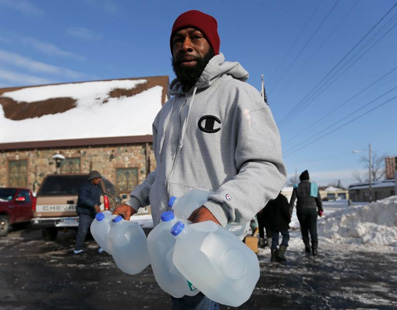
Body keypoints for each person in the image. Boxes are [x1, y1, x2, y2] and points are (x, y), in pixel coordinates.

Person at [112, 9, 286, 309]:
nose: (186, 45)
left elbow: (266, 166)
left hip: (212, 247)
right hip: (171, 249)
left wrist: (219, 207)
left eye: (196, 37)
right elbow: (162, 171)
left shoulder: (238, 96)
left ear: (212, 46)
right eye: (178, 40)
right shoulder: (166, 113)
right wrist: (134, 200)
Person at [290, 170, 323, 256]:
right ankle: (314, 249)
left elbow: (292, 201)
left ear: (300, 179)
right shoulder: (313, 186)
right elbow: (318, 199)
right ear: (308, 178)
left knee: (304, 228)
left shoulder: (297, 186)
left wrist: (289, 213)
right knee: (313, 229)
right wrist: (320, 209)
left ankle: (307, 246)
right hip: (312, 210)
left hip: (301, 210)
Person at [73, 170, 102, 255]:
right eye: (97, 178)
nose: (99, 180)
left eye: (99, 178)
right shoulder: (85, 187)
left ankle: (101, 247)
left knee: (99, 230)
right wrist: (94, 205)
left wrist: (98, 204)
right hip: (85, 213)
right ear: (92, 179)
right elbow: (83, 199)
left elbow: (95, 199)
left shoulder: (97, 187)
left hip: (93, 212)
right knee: (83, 231)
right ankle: (77, 249)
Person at [265, 192, 292, 262]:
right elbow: (286, 210)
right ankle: (281, 252)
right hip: (282, 222)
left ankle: (273, 256)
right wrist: (288, 220)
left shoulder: (269, 199)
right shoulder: (282, 198)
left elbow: (266, 211)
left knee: (274, 238)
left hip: (272, 222)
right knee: (286, 236)